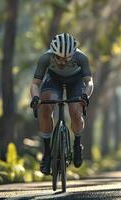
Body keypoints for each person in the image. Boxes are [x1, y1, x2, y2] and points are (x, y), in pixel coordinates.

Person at [29, 33, 93, 175]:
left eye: (66, 59)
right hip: (54, 79)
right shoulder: (45, 58)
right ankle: (46, 154)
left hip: (75, 81)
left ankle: (77, 144)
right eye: (58, 58)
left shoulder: (81, 57)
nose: (62, 62)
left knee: (76, 112)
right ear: (53, 53)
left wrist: (85, 95)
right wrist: (35, 98)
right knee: (45, 108)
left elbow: (89, 81)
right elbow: (35, 84)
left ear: (73, 54)